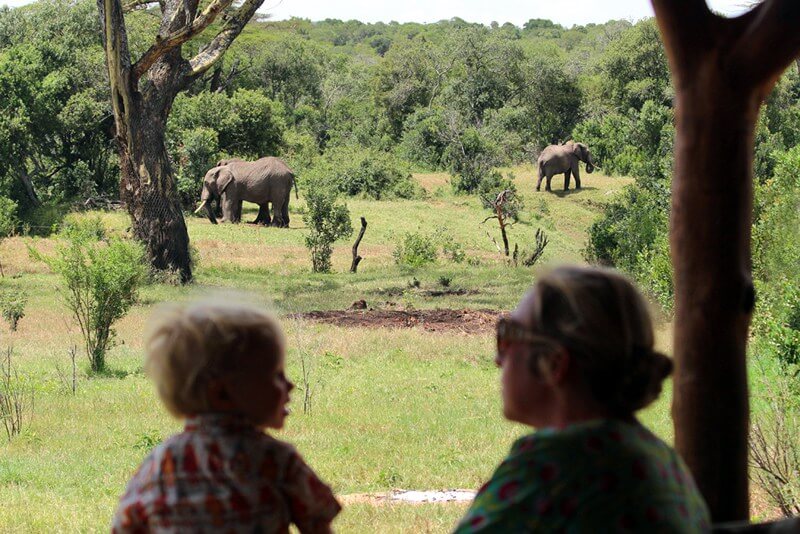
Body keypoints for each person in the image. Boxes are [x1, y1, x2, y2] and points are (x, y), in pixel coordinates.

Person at [454, 266, 710, 533]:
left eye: (507, 336)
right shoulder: (661, 460)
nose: (498, 359)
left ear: (553, 363)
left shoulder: (556, 466)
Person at [112, 301, 341, 533]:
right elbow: (318, 522)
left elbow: (125, 526)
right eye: (276, 375)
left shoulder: (162, 462)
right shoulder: (275, 460)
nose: (290, 386)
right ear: (222, 392)